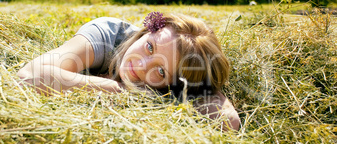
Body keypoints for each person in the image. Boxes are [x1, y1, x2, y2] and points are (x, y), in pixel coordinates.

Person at [17, 12, 240, 131]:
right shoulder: (105, 35)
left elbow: (228, 122)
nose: (141, 66)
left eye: (161, 71)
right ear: (146, 31)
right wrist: (118, 89)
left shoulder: (175, 85)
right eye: (149, 47)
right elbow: (30, 76)